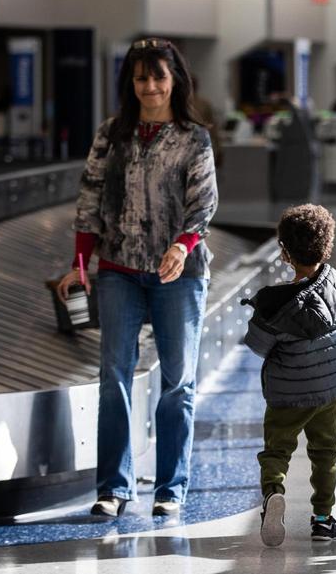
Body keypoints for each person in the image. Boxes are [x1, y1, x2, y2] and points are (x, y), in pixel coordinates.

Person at [56, 38, 217, 518]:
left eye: (159, 77)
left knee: (178, 383)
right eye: (141, 77)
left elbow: (203, 202)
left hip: (179, 275)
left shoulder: (194, 137)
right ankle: (114, 487)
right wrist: (81, 266)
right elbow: (88, 202)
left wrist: (182, 244)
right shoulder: (112, 134)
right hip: (119, 272)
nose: (150, 87)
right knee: (114, 379)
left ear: (175, 81)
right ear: (131, 82)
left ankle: (171, 487)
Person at [244, 204, 336, 546]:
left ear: (285, 253)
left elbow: (258, 344)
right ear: (328, 245)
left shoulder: (273, 304)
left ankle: (273, 495)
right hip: (328, 388)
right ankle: (323, 519)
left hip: (287, 391)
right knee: (325, 452)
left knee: (276, 451)